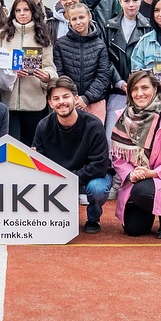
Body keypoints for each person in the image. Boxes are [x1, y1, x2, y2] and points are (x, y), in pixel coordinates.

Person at [110, 69, 161, 239]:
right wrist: (130, 174)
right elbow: (118, 156)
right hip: (136, 180)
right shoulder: (122, 118)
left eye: (145, 88)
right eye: (134, 89)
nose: (139, 93)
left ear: (155, 89)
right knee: (134, 229)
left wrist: (153, 173)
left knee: (142, 191)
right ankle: (147, 208)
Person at [32, 76, 112, 233]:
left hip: (92, 176)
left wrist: (69, 179)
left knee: (97, 189)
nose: (61, 102)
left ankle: (93, 218)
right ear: (50, 103)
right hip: (60, 177)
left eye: (66, 97)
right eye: (56, 98)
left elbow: (99, 166)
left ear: (75, 99)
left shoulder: (93, 125)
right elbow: (38, 162)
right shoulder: (43, 126)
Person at [0, 0, 56, 143]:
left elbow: (50, 67)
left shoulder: (42, 37)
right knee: (12, 147)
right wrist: (11, 71)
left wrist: (47, 76)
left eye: (26, 10)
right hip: (7, 103)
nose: (22, 13)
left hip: (35, 104)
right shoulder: (1, 35)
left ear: (33, 12)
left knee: (32, 147)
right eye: (18, 10)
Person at [103, 0, 151, 140]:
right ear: (120, 2)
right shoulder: (109, 27)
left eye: (135, 0)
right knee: (112, 137)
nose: (131, 5)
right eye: (127, 1)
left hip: (142, 92)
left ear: (141, 0)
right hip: (117, 91)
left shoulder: (149, 27)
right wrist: (119, 82)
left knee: (140, 140)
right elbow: (105, 59)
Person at [52, 2, 111, 123]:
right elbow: (59, 74)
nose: (78, 22)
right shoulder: (60, 44)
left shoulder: (100, 45)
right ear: (69, 21)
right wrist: (72, 98)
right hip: (68, 102)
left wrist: (86, 98)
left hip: (95, 102)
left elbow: (103, 76)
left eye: (81, 17)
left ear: (89, 17)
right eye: (74, 19)